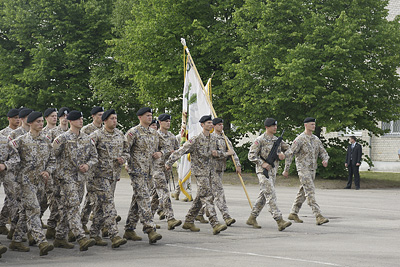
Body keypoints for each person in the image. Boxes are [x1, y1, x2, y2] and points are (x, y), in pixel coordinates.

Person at [165, 115, 230, 235]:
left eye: (211, 123)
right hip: (200, 173)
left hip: (212, 172)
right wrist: (169, 162)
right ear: (202, 125)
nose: (210, 125)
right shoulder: (195, 139)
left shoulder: (214, 138)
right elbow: (181, 150)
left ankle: (189, 221)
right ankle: (215, 223)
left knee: (199, 198)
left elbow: (218, 153)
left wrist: (220, 153)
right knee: (208, 196)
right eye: (208, 123)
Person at [9, 112, 55, 256]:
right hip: (25, 182)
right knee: (34, 209)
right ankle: (41, 241)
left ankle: (16, 240)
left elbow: (52, 160)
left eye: (42, 121)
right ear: (29, 123)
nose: (41, 124)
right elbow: (12, 159)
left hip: (40, 183)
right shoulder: (20, 141)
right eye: (37, 122)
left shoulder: (47, 141)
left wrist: (48, 171)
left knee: (25, 211)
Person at [52, 110, 97, 251]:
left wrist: (88, 165)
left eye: (82, 119)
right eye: (78, 119)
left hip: (80, 179)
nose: (81, 121)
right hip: (66, 178)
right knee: (73, 206)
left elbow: (94, 156)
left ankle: (60, 237)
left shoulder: (87, 138)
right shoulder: (62, 138)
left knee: (69, 207)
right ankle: (81, 237)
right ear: (71, 121)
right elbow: (52, 156)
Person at [88, 109, 128, 248]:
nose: (115, 121)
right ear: (104, 120)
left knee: (100, 206)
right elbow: (88, 154)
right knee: (109, 205)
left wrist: (124, 158)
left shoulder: (120, 134)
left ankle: (93, 234)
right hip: (99, 176)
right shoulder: (96, 135)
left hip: (113, 176)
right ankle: (114, 235)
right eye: (112, 118)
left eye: (116, 118)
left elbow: (126, 151)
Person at [123, 107, 163, 244]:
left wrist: (161, 153)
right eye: (147, 115)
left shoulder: (155, 133)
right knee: (145, 198)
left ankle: (129, 229)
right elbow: (124, 149)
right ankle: (150, 229)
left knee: (138, 199)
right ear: (140, 117)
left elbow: (165, 147)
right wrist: (126, 163)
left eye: (151, 115)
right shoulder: (133, 132)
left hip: (149, 172)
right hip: (137, 172)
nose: (150, 117)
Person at [247, 118, 292, 231]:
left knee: (263, 196)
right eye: (273, 126)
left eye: (276, 126)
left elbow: (290, 150)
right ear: (267, 127)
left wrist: (283, 155)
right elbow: (251, 155)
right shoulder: (260, 140)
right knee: (271, 195)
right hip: (262, 172)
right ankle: (279, 220)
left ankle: (252, 217)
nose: (275, 128)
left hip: (273, 172)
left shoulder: (278, 140)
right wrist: (262, 163)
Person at [283, 117, 330, 225]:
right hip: (303, 170)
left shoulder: (316, 139)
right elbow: (290, 154)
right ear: (306, 125)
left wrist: (325, 159)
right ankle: (318, 215)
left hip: (312, 170)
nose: (314, 126)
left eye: (314, 124)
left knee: (303, 192)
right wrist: (286, 169)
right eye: (312, 124)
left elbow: (323, 152)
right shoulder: (300, 139)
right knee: (310, 192)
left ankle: (293, 213)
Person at [196, 118, 240, 226]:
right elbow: (213, 153)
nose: (221, 126)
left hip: (221, 169)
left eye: (222, 124)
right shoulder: (212, 138)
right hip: (212, 169)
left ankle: (199, 213)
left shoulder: (225, 138)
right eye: (218, 124)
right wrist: (225, 154)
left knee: (206, 193)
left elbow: (232, 152)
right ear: (214, 126)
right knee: (219, 193)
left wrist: (237, 164)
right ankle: (226, 216)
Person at [150, 113, 181, 230]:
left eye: (169, 121)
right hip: (157, 169)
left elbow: (178, 150)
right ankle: (170, 218)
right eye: (165, 121)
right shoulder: (155, 136)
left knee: (155, 197)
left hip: (167, 170)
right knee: (164, 193)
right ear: (160, 122)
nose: (168, 123)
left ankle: (148, 219)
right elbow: (150, 152)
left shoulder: (172, 137)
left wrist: (173, 156)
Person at [80, 106, 104, 234]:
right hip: (91, 169)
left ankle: (86, 221)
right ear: (93, 116)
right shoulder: (86, 130)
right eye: (99, 115)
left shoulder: (105, 129)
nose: (101, 117)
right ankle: (84, 222)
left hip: (104, 169)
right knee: (93, 196)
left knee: (96, 197)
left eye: (102, 114)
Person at [0, 122, 20, 258]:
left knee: (14, 200)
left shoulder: (4, 139)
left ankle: (14, 230)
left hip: (6, 174)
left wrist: (5, 165)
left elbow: (15, 157)